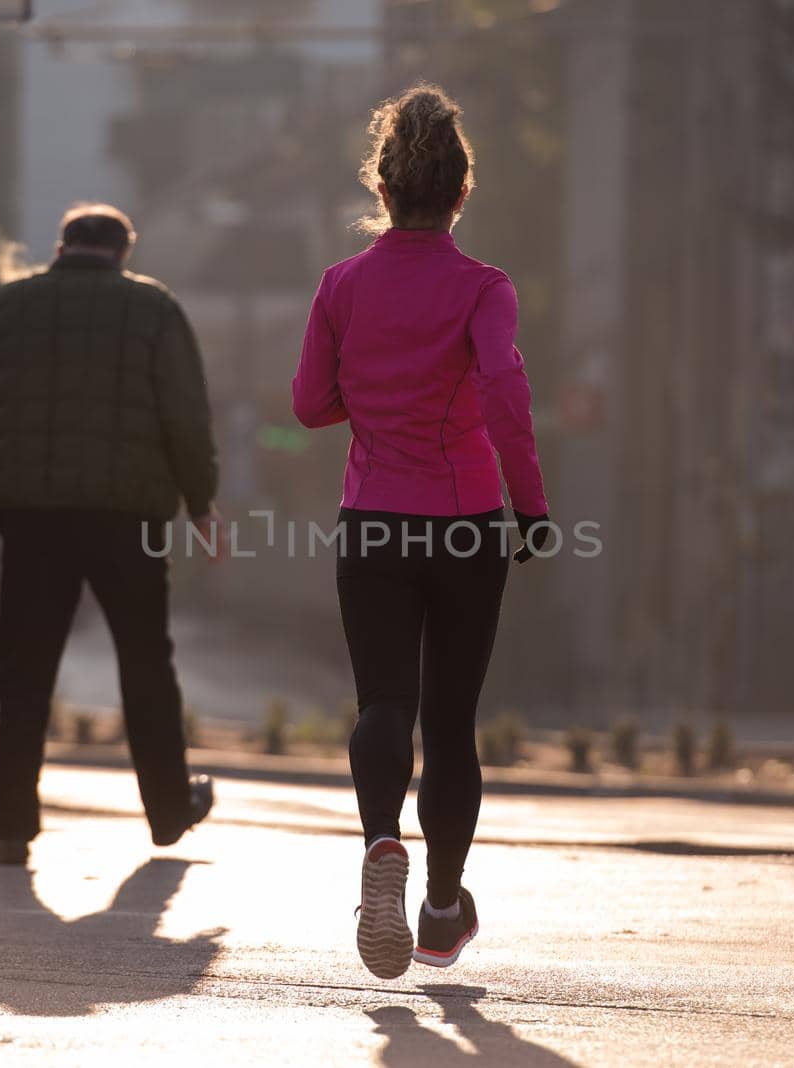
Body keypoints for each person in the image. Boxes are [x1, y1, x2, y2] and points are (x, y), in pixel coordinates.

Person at [291, 85, 551, 978]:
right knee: (450, 720)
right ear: (460, 193)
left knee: (382, 703)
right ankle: (442, 908)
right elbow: (504, 396)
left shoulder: (341, 285)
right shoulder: (485, 289)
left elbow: (308, 403)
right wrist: (533, 507)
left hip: (372, 520)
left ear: (384, 189)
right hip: (470, 522)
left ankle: (378, 844)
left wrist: (372, 400)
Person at [0, 203, 218, 867]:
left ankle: (12, 824)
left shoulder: (8, 305)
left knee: (24, 667)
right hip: (128, 519)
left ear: (62, 246)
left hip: (31, 516)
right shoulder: (154, 309)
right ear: (122, 251)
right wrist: (201, 500)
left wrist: (15, 450)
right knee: (145, 662)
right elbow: (184, 413)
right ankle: (166, 810)